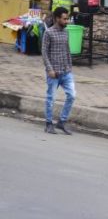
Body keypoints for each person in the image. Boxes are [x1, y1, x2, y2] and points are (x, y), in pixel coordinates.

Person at [42, 7, 76, 135]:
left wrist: (70, 67)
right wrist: (49, 69)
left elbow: (67, 50)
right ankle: (48, 124)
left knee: (72, 95)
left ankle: (62, 121)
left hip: (66, 72)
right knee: (51, 98)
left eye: (67, 19)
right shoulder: (48, 33)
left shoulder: (66, 32)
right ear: (57, 18)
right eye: (64, 19)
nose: (67, 21)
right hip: (53, 73)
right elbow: (44, 53)